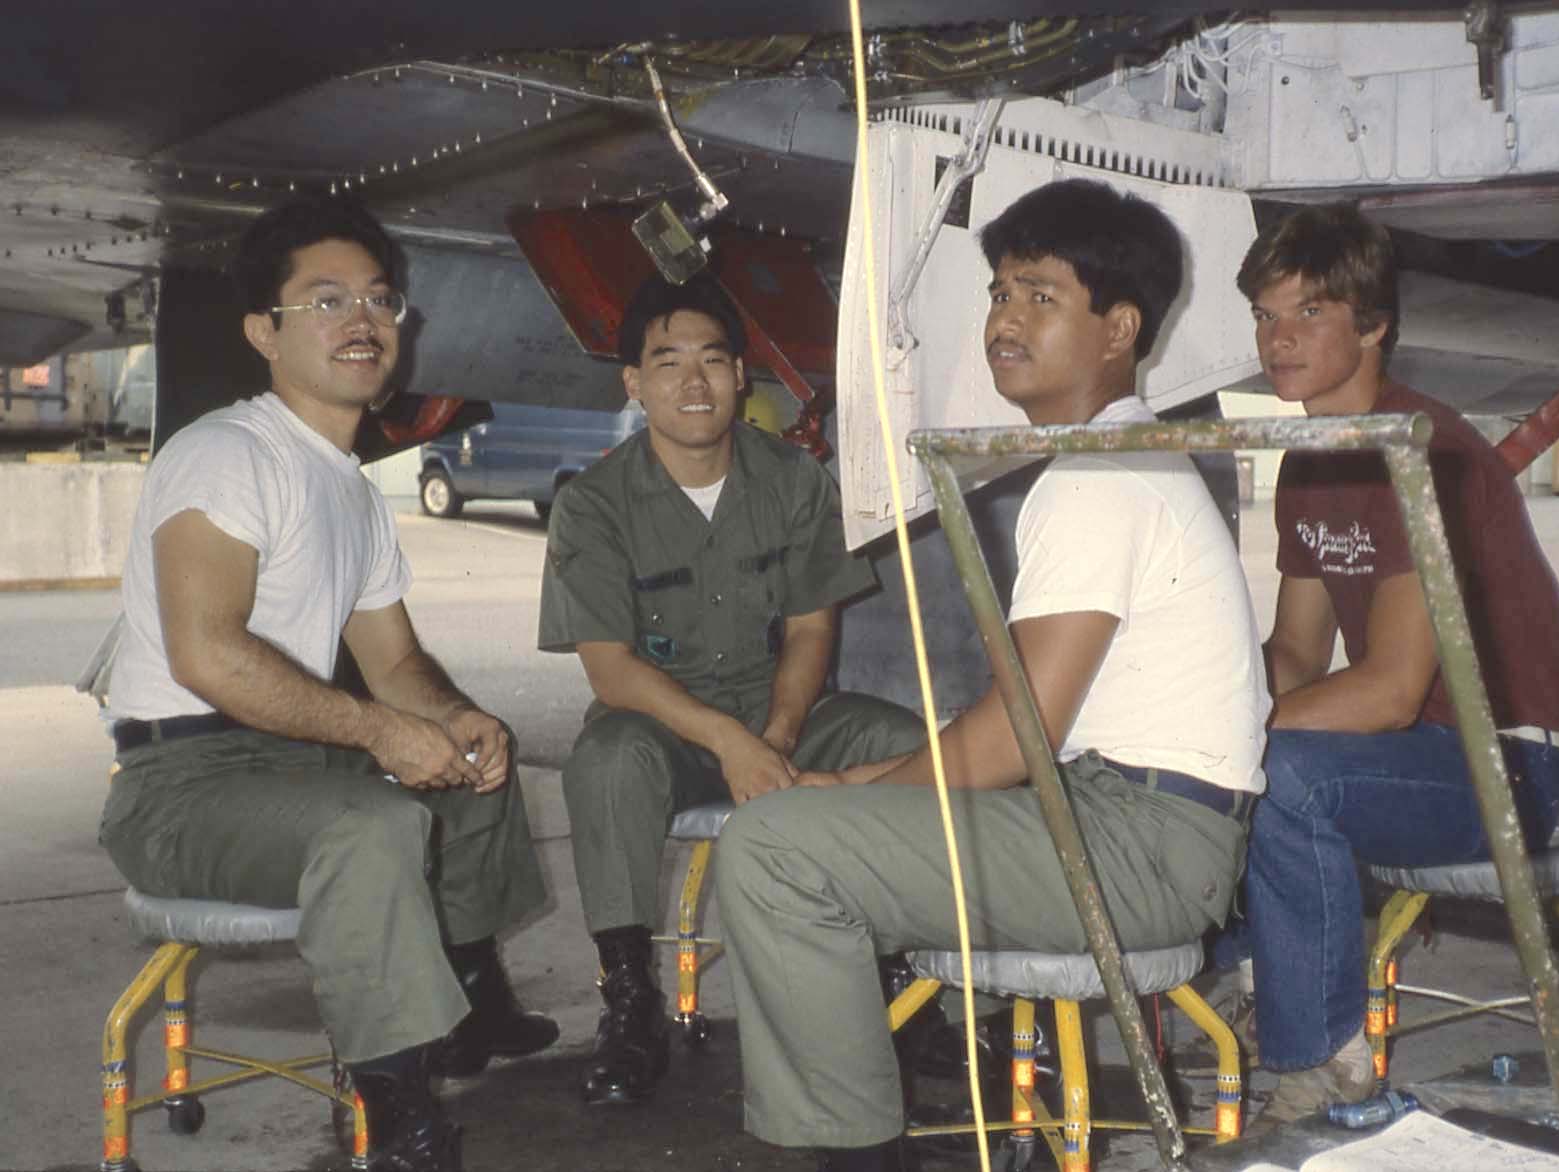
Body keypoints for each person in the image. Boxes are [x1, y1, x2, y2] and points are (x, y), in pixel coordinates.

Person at [711, 178, 1271, 1172]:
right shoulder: (1111, 455)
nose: (1005, 320)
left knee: (772, 847)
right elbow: (1021, 723)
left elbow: (1017, 737)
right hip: (1132, 819)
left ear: (1119, 328)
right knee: (836, 799)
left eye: (1041, 297)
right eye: (1001, 293)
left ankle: (855, 1158)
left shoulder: (1100, 477)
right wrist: (861, 784)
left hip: (1139, 845)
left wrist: (849, 793)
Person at [98, 196, 557, 1172]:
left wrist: (455, 717)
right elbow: (207, 654)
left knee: (475, 763)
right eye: (327, 300)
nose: (363, 320)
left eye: (380, 300)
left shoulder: (351, 489)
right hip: (181, 788)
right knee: (375, 824)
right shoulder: (227, 454)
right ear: (264, 332)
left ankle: (472, 999)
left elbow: (396, 666)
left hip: (292, 770)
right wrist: (380, 733)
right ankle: (399, 1121)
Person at [537, 273, 925, 1107]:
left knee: (905, 745)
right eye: (667, 362)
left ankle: (900, 977)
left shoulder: (794, 480)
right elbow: (611, 669)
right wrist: (730, 744)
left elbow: (812, 629)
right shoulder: (593, 504)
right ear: (634, 383)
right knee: (606, 763)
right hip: (662, 727)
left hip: (783, 714)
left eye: (713, 359)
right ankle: (629, 1002)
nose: (694, 381)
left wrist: (775, 738)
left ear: (741, 374)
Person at [1237, 203, 1559, 1121]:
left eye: (1310, 311)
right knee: (1214, 756)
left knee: (1282, 772)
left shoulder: (1423, 451)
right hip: (1417, 749)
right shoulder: (1312, 459)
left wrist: (1235, 731)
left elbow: (1390, 692)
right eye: (1266, 315)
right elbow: (1296, 651)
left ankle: (1323, 1059)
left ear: (1374, 326)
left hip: (1505, 760)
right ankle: (1269, 978)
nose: (1279, 338)